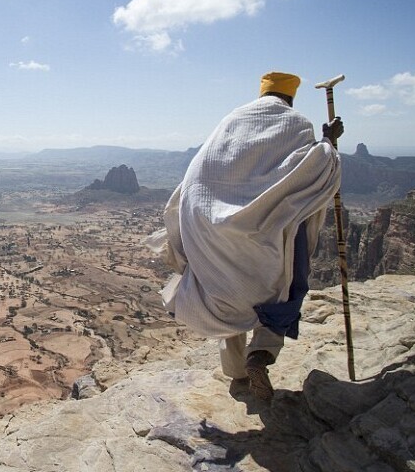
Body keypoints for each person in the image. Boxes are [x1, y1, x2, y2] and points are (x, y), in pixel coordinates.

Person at [146, 72, 343, 400]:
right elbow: (310, 171)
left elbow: (203, 170)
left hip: (211, 225)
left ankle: (238, 375)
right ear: (290, 98)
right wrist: (328, 143)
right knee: (283, 285)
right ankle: (261, 353)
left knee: (225, 285)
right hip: (259, 228)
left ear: (262, 93)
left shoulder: (233, 120)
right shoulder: (296, 124)